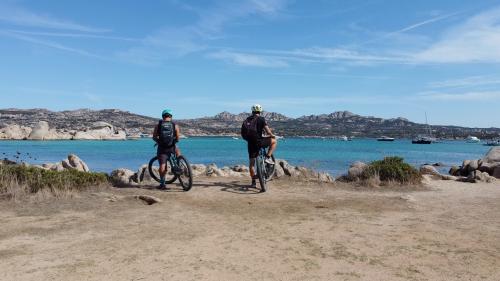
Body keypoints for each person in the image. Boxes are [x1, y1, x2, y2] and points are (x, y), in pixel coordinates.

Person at [241, 104, 277, 188]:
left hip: (250, 143)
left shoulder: (247, 120)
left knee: (251, 164)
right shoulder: (261, 119)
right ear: (260, 111)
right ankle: (268, 157)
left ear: (252, 111)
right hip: (259, 141)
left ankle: (253, 182)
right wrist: (272, 135)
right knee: (274, 142)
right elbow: (268, 131)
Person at [153, 109, 181, 189]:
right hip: (172, 147)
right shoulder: (175, 125)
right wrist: (173, 142)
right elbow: (178, 139)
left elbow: (154, 137)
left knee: (162, 166)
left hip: (162, 148)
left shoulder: (158, 125)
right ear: (171, 116)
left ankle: (162, 184)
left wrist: (158, 142)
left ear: (163, 116)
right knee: (177, 149)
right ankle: (180, 162)